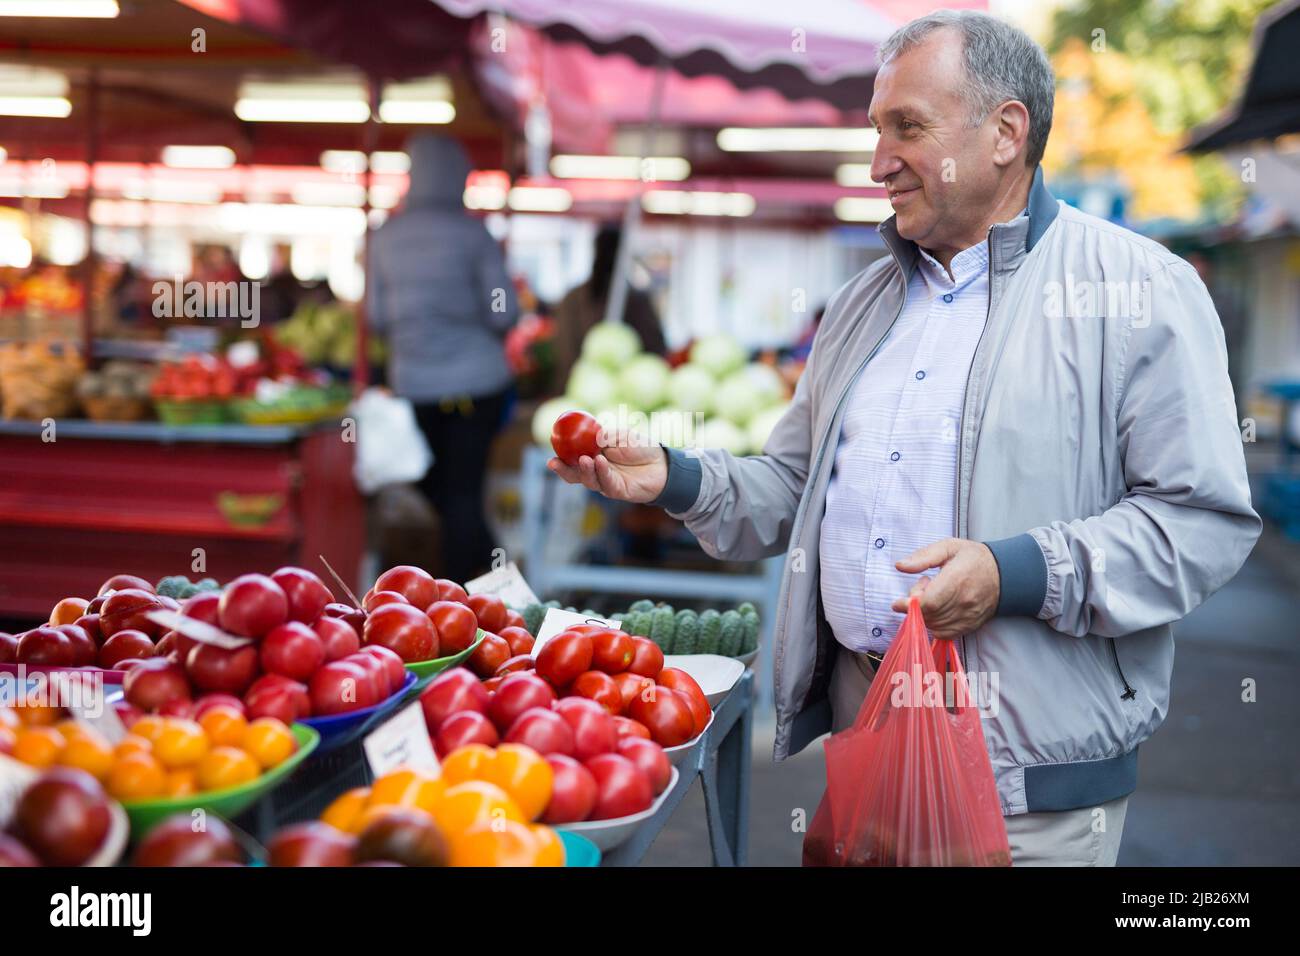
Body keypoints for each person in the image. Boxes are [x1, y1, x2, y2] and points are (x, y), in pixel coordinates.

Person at [547, 10, 1260, 866]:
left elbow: (1202, 523)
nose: (879, 161)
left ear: (1005, 132)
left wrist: (1013, 573)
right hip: (870, 747)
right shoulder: (863, 304)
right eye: (877, 129)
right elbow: (794, 487)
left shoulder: (1140, 288)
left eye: (907, 128)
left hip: (1029, 793)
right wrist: (672, 478)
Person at [368, 133, 519, 583]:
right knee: (464, 495)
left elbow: (376, 317)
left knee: (441, 489)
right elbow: (503, 310)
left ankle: (486, 585)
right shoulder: (474, 235)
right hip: (478, 385)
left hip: (415, 389)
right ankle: (475, 594)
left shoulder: (384, 238)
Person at [550, 224, 666, 393]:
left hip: (617, 395)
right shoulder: (635, 300)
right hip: (585, 393)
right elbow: (657, 348)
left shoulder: (634, 300)